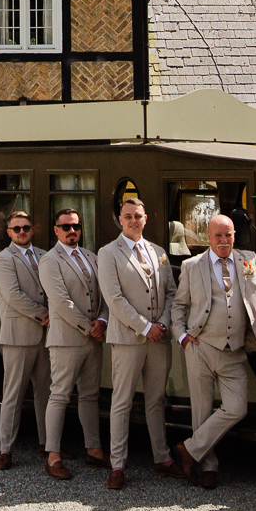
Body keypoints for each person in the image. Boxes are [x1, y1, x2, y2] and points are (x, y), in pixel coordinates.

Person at [171, 213, 256, 488]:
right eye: (218, 236)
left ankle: (189, 449)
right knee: (200, 413)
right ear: (208, 237)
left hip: (234, 349)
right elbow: (178, 306)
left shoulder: (248, 259)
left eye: (228, 235)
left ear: (235, 235)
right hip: (200, 346)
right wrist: (182, 336)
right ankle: (208, 466)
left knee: (237, 408)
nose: (224, 241)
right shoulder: (192, 265)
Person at [96, 196, 180, 489]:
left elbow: (171, 292)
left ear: (146, 219)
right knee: (122, 401)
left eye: (138, 216)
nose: (134, 220)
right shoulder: (108, 253)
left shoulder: (158, 252)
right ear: (120, 220)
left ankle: (162, 459)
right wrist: (145, 327)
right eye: (128, 216)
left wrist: (164, 324)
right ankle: (117, 464)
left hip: (160, 338)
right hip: (129, 339)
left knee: (156, 399)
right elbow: (114, 299)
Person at [38, 207, 107, 479]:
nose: (71, 231)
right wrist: (86, 327)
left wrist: (101, 321)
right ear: (56, 230)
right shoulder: (49, 260)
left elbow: (103, 296)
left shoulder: (91, 257)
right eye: (65, 227)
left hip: (93, 337)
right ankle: (53, 455)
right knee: (60, 395)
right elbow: (60, 301)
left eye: (76, 226)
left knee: (90, 395)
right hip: (67, 339)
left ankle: (94, 450)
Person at [0, 210, 53, 469]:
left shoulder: (45, 256)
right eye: (17, 228)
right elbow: (12, 295)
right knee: (12, 394)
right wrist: (43, 314)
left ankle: (48, 445)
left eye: (26, 227)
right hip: (18, 335)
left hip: (46, 336)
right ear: (9, 233)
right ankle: (6, 449)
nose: (22, 232)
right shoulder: (3, 259)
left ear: (32, 229)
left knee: (46, 393)